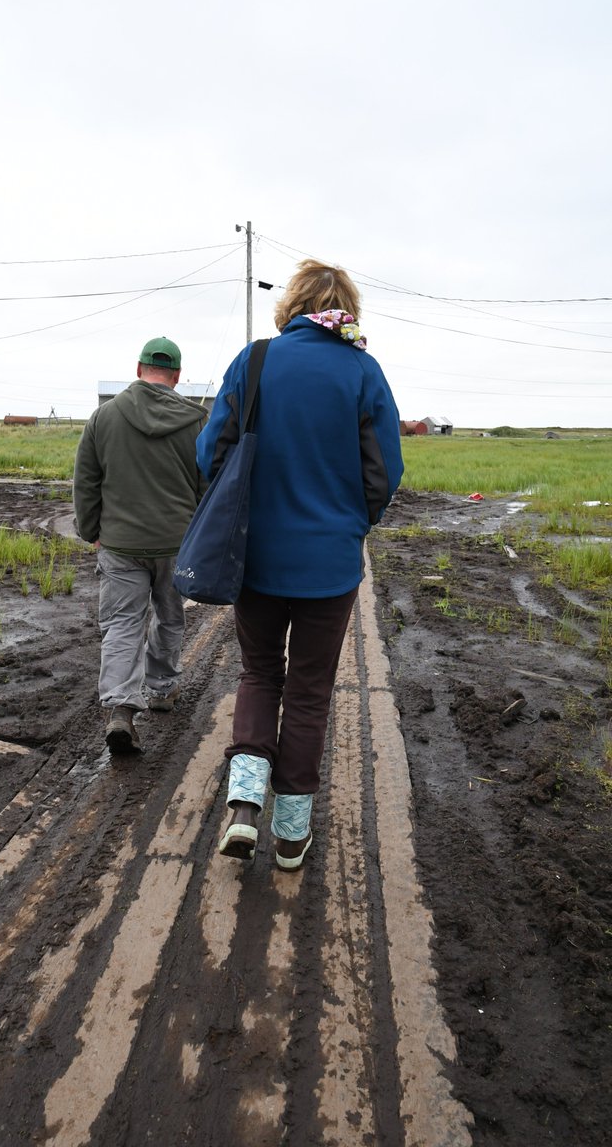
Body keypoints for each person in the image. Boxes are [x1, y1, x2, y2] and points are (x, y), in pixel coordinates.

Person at [196, 259, 403, 871]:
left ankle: (242, 806)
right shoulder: (363, 371)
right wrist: (351, 525)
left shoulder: (254, 360)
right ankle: (290, 837)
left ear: (294, 304)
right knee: (310, 692)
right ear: (346, 309)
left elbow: (212, 452)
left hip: (255, 555)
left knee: (260, 674)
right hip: (330, 565)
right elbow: (383, 473)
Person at [74, 337, 208, 752]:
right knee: (170, 617)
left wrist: (90, 529)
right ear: (178, 377)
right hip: (176, 544)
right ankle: (163, 690)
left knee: (122, 624)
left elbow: (86, 480)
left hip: (119, 544)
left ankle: (120, 709)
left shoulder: (103, 417)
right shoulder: (198, 422)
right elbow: (208, 487)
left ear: (138, 369)